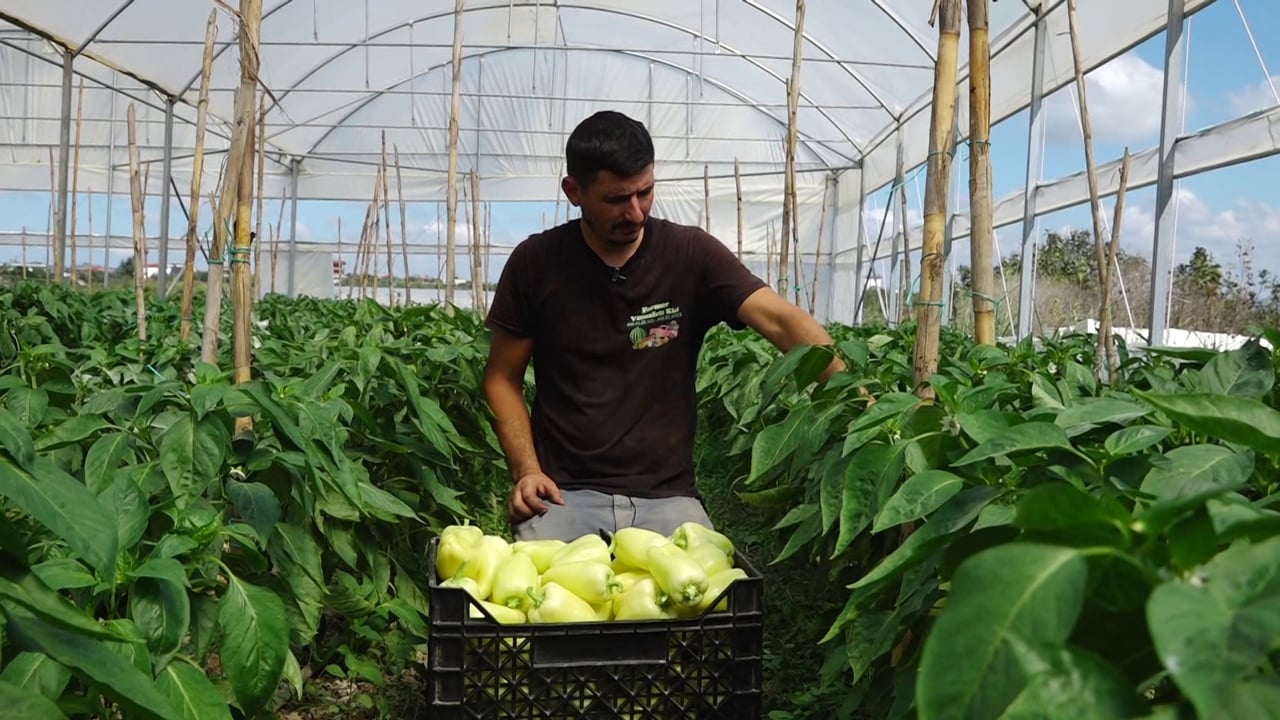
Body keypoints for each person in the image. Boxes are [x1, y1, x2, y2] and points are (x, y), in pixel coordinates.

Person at [482, 110, 845, 543]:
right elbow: (502, 379)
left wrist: (856, 398)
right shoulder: (536, 263)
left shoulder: (688, 253)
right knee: (549, 608)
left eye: (645, 192)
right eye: (616, 200)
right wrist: (528, 471)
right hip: (564, 493)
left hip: (667, 496)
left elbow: (782, 321)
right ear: (573, 191)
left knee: (708, 603)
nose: (635, 212)